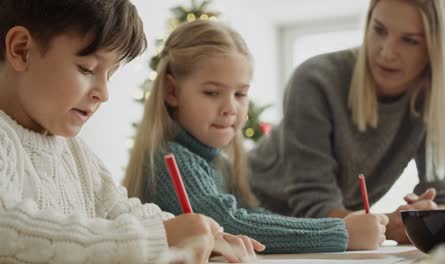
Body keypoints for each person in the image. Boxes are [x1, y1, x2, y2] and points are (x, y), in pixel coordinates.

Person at [0, 1, 262, 263]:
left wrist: (205, 234)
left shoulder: (76, 152)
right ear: (22, 50)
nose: (103, 93)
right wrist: (160, 237)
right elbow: (8, 230)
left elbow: (119, 210)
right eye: (87, 69)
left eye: (110, 75)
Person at [123, 19, 388, 254]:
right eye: (212, 92)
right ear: (172, 91)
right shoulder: (171, 160)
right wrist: (341, 231)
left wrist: (339, 227)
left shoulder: (219, 163)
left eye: (240, 94)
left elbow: (251, 214)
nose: (230, 108)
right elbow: (231, 222)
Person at [248, 0, 445, 244]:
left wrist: (432, 217)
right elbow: (313, 206)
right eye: (379, 30)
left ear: (437, 47)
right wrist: (392, 227)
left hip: (320, 237)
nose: (386, 52)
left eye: (410, 40)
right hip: (252, 214)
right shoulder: (315, 79)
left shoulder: (431, 99)